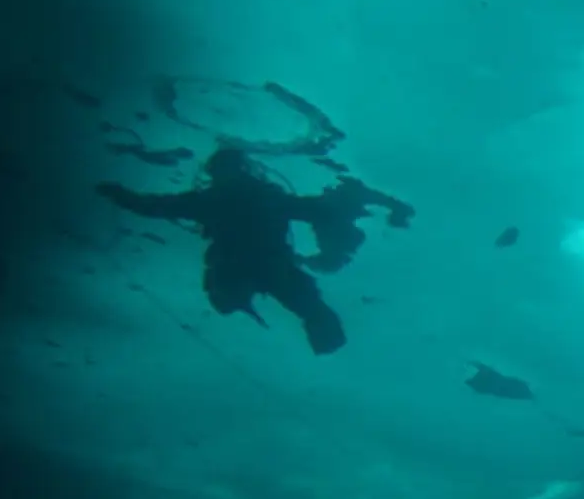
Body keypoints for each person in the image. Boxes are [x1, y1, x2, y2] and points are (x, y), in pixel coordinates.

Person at [97, 147, 413, 355]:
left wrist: (121, 196)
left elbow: (157, 206)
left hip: (240, 265)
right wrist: (358, 205)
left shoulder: (212, 200)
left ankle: (323, 349)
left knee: (237, 301)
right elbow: (315, 210)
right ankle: (328, 352)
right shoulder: (265, 197)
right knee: (313, 313)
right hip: (270, 266)